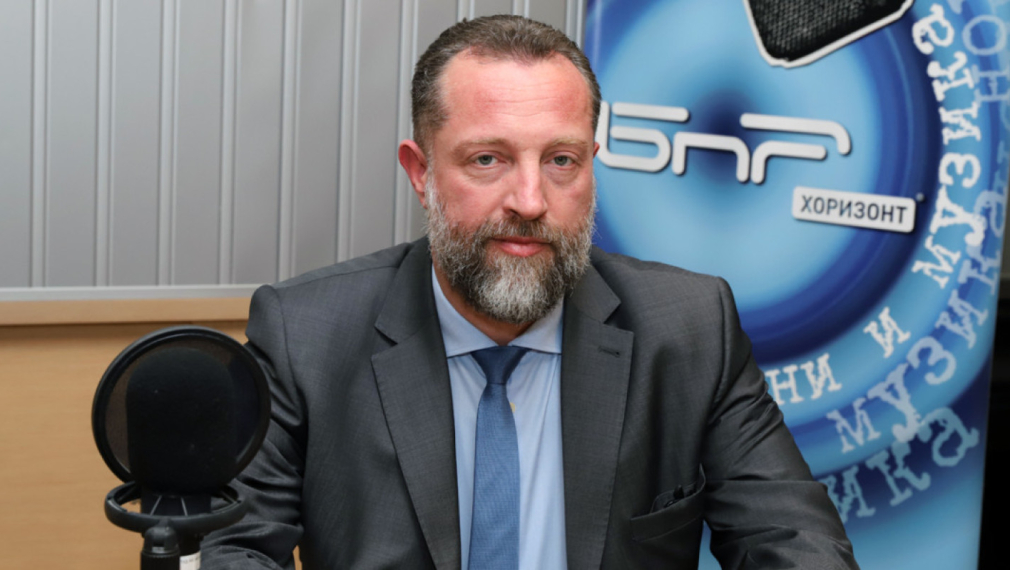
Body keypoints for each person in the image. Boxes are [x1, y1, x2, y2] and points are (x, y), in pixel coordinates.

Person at [203, 15, 858, 570]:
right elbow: (233, 547)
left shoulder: (689, 331)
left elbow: (795, 541)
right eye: (487, 159)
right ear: (421, 173)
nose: (530, 201)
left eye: (560, 160)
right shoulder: (306, 335)